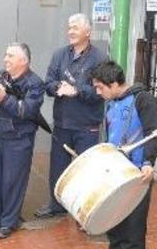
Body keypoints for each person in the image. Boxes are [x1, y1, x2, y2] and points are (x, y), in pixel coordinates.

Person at [83, 60, 157, 249]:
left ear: (114, 83)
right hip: (115, 175)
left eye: (100, 87)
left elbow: (153, 134)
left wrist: (148, 162)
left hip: (136, 177)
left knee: (133, 234)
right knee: (114, 228)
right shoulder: (112, 103)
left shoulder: (142, 100)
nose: (98, 92)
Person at [35, 13, 108, 219]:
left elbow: (101, 91)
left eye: (75, 27)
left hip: (87, 125)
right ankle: (56, 205)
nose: (71, 31)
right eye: (69, 27)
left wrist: (76, 90)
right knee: (57, 167)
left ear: (88, 32)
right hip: (62, 123)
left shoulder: (100, 58)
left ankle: (84, 210)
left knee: (84, 169)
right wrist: (58, 87)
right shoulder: (59, 55)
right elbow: (48, 83)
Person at [0, 43, 44, 239]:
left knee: (13, 183)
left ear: (24, 60)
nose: (6, 59)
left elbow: (26, 111)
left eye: (11, 56)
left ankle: (8, 223)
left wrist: (4, 99)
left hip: (19, 140)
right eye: (6, 55)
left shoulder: (35, 83)